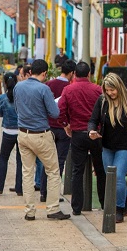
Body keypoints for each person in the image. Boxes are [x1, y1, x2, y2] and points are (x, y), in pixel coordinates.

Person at [88, 73, 127, 223]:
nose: (110, 93)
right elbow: (93, 120)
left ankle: (119, 208)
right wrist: (91, 131)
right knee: (110, 177)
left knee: (118, 176)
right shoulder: (103, 101)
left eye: (112, 90)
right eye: (107, 90)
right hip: (107, 145)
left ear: (119, 87)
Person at [13, 60, 68, 221]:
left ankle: (30, 211)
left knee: (27, 173)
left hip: (23, 134)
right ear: (44, 73)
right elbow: (55, 113)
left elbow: (17, 109)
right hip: (41, 134)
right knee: (52, 171)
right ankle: (52, 208)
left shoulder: (18, 87)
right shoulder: (44, 89)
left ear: (30, 72)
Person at [57, 61, 105, 215]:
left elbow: (61, 109)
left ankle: (77, 207)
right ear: (89, 74)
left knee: (77, 171)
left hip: (77, 133)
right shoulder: (97, 90)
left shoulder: (68, 89)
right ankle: (105, 203)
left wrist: (66, 124)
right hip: (96, 134)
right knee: (100, 169)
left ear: (75, 74)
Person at [40, 59, 75, 202]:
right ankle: (53, 193)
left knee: (46, 160)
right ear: (72, 73)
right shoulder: (70, 88)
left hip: (48, 127)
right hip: (64, 128)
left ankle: (43, 191)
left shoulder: (49, 84)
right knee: (59, 161)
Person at [0, 72, 22, 196]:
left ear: (4, 83)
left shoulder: (2, 98)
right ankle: (20, 188)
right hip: (21, 131)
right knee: (21, 161)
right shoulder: (21, 96)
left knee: (3, 158)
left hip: (8, 131)